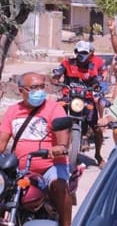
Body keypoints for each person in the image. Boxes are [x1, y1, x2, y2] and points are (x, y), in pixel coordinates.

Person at [0, 72, 71, 226]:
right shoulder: (12, 111)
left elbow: (62, 134)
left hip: (50, 166)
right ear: (21, 90)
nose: (39, 91)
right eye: (33, 88)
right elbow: (2, 142)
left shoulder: (54, 108)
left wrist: (60, 147)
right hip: (19, 169)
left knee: (59, 186)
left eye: (41, 87)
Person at [52, 40, 105, 168]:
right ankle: (53, 150)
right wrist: (55, 78)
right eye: (80, 53)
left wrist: (96, 85)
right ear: (76, 52)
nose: (83, 56)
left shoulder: (91, 66)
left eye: (85, 53)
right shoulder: (67, 63)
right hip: (68, 97)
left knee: (97, 127)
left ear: (89, 53)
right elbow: (57, 74)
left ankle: (98, 155)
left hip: (86, 99)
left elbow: (95, 80)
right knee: (54, 119)